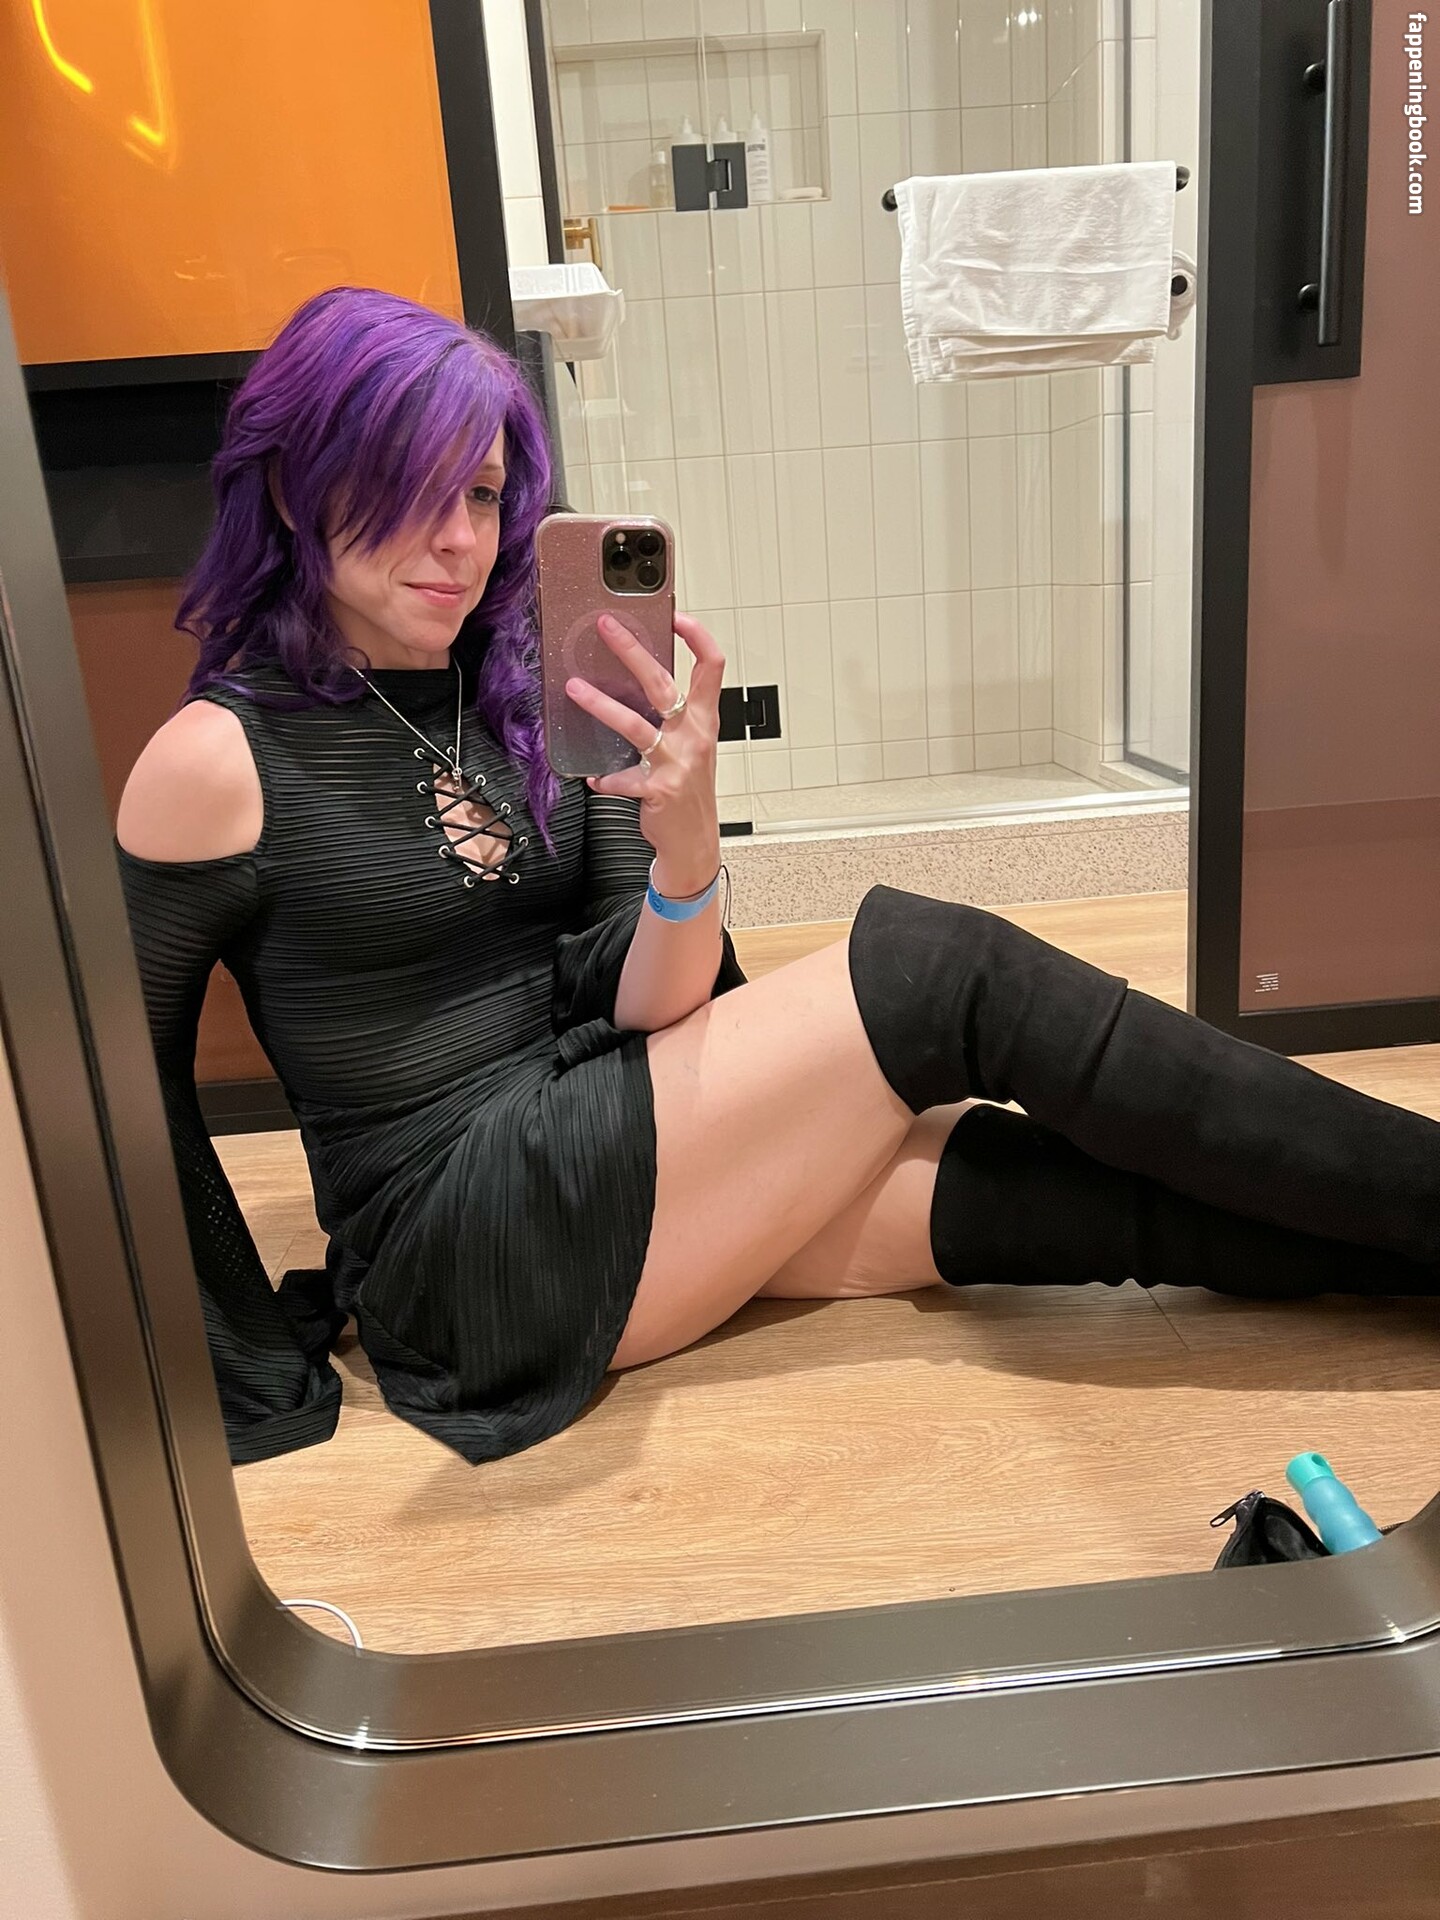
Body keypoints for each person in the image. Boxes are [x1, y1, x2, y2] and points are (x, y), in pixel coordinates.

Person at [116, 288, 1440, 1468]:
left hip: (617, 1145)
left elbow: (652, 1003)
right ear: (291, 489)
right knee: (941, 972)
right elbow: (126, 1088)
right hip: (462, 1247)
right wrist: (234, 1360)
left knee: (1030, 1196)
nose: (457, 538)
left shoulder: (531, 693)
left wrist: (688, 845)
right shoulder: (216, 761)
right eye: (409, 486)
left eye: (478, 493)